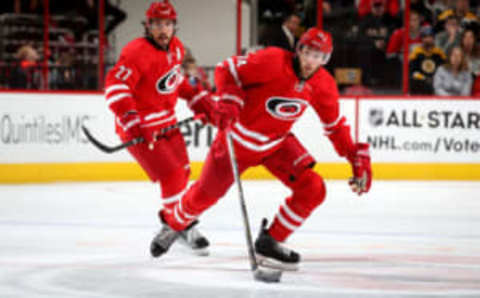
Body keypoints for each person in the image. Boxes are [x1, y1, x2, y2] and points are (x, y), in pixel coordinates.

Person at [148, 28, 372, 270]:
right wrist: (230, 99)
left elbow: (335, 126)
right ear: (299, 50)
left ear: (326, 59)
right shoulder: (272, 61)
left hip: (276, 145)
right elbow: (226, 69)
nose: (311, 61)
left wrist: (353, 155)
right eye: (307, 53)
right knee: (204, 196)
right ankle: (173, 225)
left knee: (314, 189)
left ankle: (270, 240)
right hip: (236, 142)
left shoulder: (323, 84)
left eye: (319, 57)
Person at [104, 1, 220, 256]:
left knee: (184, 172)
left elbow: (173, 82)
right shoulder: (135, 52)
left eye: (167, 24)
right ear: (147, 26)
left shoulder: (176, 49)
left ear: (174, 26)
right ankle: (177, 226)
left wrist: (197, 99)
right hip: (140, 128)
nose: (162, 29)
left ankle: (178, 224)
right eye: (156, 24)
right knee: (171, 176)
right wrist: (132, 121)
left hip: (167, 124)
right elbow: (115, 86)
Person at [409, 26, 446, 94]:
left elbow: (444, 70)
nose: (428, 39)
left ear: (433, 38)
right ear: (422, 39)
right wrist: (424, 78)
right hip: (420, 84)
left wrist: (435, 79)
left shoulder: (439, 53)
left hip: (436, 84)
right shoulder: (416, 52)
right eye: (425, 37)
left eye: (430, 37)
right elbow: (413, 72)